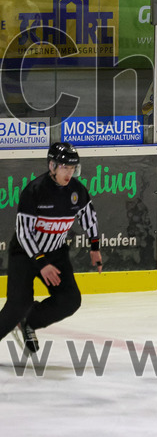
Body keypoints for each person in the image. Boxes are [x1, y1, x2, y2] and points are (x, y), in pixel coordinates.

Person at [0, 143, 102, 355]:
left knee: (70, 300)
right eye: (65, 167)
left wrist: (94, 246)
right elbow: (23, 233)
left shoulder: (76, 190)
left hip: (56, 253)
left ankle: (29, 322)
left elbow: (88, 216)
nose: (69, 173)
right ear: (52, 166)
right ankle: (20, 316)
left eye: (73, 168)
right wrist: (41, 262)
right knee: (18, 304)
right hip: (26, 253)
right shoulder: (35, 191)